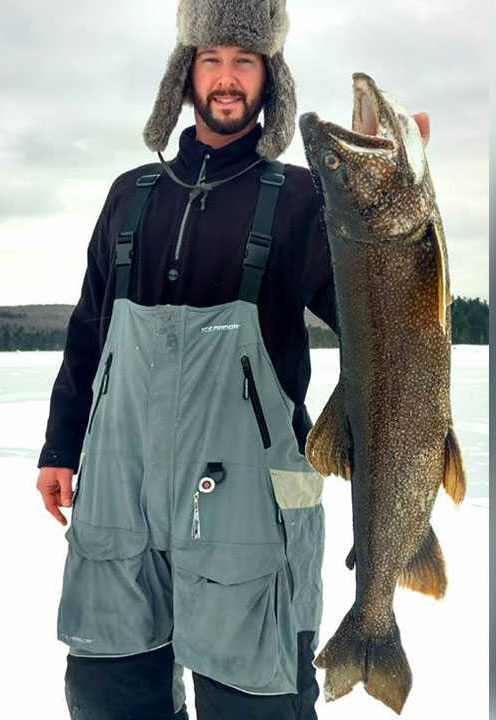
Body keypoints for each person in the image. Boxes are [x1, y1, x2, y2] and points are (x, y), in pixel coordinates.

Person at [34, 1, 339, 717]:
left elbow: (376, 318)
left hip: (263, 497)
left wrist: (397, 215)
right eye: (212, 59)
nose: (227, 78)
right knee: (111, 690)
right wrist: (59, 446)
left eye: (245, 61)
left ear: (271, 80)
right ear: (186, 73)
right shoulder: (130, 196)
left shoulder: (301, 200)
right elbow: (89, 331)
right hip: (123, 488)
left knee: (262, 694)